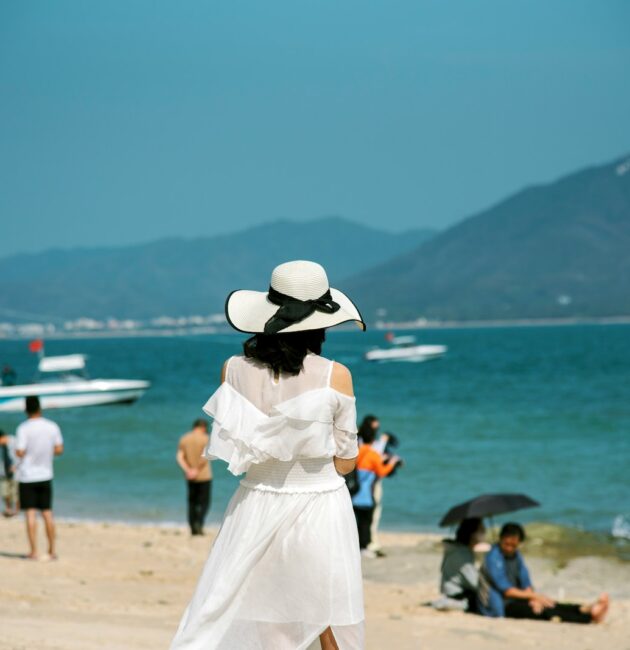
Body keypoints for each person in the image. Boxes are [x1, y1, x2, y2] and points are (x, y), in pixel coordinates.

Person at [170, 260, 366, 650]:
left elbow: (235, 451)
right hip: (320, 504)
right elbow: (346, 462)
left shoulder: (231, 369)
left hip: (254, 502)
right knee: (328, 616)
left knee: (265, 616)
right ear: (320, 323)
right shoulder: (335, 375)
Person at [479, 522, 609, 623]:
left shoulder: (516, 555)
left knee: (547, 603)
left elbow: (525, 581)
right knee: (542, 612)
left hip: (517, 598)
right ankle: (588, 618)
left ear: (519, 543)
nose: (509, 548)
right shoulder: (493, 558)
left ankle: (584, 608)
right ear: (500, 539)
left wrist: (533, 598)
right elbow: (507, 590)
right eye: (506, 544)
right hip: (501, 604)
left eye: (513, 546)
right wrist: (534, 597)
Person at [15, 396, 64, 560]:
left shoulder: (23, 428)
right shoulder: (52, 426)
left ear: (26, 410)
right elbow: (59, 449)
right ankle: (51, 550)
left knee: (30, 513)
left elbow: (20, 452)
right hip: (45, 474)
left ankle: (33, 551)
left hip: (27, 476)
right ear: (40, 408)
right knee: (47, 513)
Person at [351, 423, 400, 557]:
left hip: (353, 493)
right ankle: (365, 547)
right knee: (367, 522)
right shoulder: (373, 455)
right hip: (366, 495)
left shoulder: (357, 451)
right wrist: (391, 463)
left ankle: (357, 545)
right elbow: (381, 471)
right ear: (373, 439)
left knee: (357, 522)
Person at [436, 517, 485, 612]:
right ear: (472, 534)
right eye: (481, 530)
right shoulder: (462, 554)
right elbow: (475, 584)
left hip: (451, 591)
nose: (484, 533)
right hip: (458, 595)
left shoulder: (456, 549)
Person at [177, 418, 212, 535]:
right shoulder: (206, 438)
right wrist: (196, 470)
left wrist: (188, 470)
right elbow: (205, 457)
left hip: (189, 476)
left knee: (192, 502)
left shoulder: (185, 438)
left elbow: (179, 457)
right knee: (205, 503)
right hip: (204, 476)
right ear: (203, 427)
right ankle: (199, 523)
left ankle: (192, 527)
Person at [0, 430, 19, 516]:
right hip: (4, 471)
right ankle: (8, 509)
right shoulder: (2, 446)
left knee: (15, 492)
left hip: (16, 471)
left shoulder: (15, 441)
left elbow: (22, 454)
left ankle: (16, 511)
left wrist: (16, 466)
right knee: (5, 492)